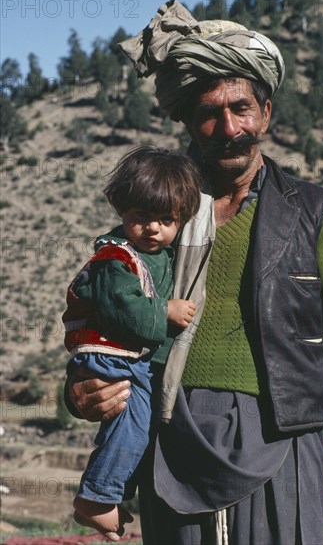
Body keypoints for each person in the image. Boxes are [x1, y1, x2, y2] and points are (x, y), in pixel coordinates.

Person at [65, 0, 323, 544]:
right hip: (171, 432)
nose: (229, 127)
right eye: (209, 111)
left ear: (266, 113)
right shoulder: (157, 217)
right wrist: (78, 388)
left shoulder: (316, 212)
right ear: (184, 119)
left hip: (282, 435)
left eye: (242, 108)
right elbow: (102, 305)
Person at [62, 145, 201, 542]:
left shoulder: (162, 254)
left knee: (133, 424)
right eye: (143, 217)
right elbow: (126, 312)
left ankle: (109, 494)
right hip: (111, 358)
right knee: (132, 424)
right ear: (122, 209)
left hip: (126, 359)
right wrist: (166, 313)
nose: (154, 229)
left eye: (166, 220)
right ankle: (97, 497)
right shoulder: (114, 260)